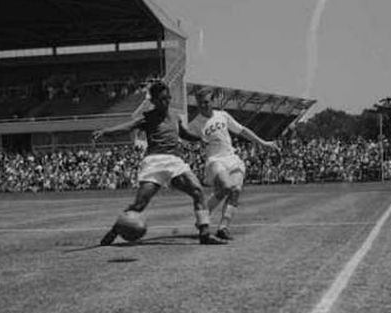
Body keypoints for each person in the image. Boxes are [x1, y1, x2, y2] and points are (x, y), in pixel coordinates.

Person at [93, 81, 226, 245]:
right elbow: (128, 127)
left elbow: (184, 134)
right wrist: (106, 131)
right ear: (154, 101)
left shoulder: (175, 116)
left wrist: (200, 138)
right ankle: (115, 231)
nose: (166, 101)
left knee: (197, 191)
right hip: (154, 162)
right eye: (162, 98)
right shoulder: (147, 117)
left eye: (168, 98)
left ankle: (204, 234)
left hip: (175, 161)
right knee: (139, 204)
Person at [186, 88, 280, 240]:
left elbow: (242, 130)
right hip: (215, 160)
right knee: (226, 187)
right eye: (200, 103)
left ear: (212, 101)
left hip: (232, 158)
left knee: (234, 190)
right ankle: (204, 218)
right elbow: (183, 139)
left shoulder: (222, 115)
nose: (203, 105)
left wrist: (263, 143)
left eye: (206, 102)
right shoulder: (195, 124)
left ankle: (223, 227)